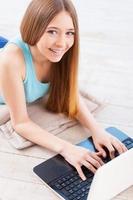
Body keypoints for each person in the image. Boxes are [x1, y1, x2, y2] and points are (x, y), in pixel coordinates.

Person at [0, 0, 127, 181]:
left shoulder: (61, 52)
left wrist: (97, 130)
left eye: (69, 33)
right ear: (34, 27)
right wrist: (67, 148)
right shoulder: (11, 60)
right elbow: (20, 123)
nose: (62, 43)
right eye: (52, 31)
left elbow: (70, 92)